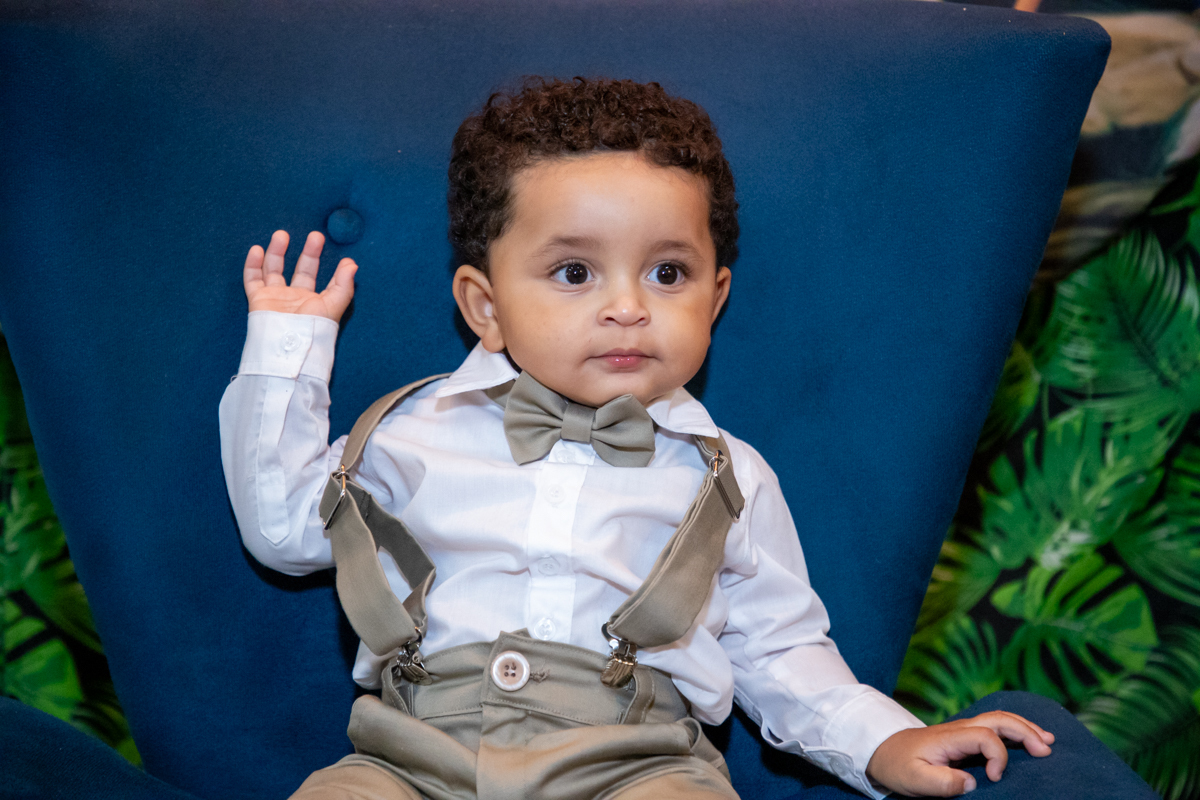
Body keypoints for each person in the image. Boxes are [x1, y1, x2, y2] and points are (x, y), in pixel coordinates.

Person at [220, 77, 1054, 800]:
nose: (628, 307)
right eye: (575, 273)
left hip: (639, 763)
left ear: (715, 298)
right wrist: (289, 346)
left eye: (667, 273)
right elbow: (286, 530)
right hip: (413, 756)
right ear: (485, 306)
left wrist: (883, 741)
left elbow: (778, 650)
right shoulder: (410, 432)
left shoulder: (727, 478)